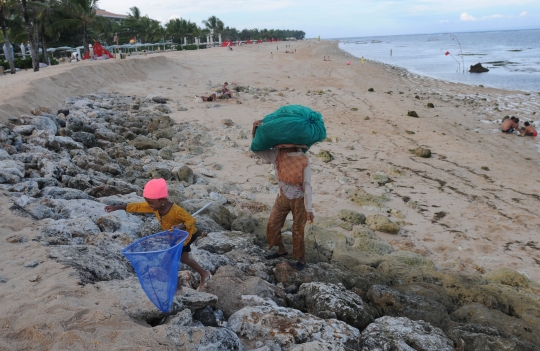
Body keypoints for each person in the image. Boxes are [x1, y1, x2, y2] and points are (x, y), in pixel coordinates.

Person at [104, 178, 212, 289]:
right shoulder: (156, 207)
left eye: (151, 203)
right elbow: (137, 206)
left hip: (185, 237)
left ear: (162, 199)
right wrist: (117, 207)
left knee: (167, 262)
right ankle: (204, 274)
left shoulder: (176, 210)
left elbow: (191, 220)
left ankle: (176, 288)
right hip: (175, 237)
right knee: (183, 259)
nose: (149, 205)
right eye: (148, 202)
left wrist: (181, 226)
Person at [251, 120, 314, 271]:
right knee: (272, 224)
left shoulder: (303, 160)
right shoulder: (277, 154)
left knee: (298, 230)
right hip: (283, 197)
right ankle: (281, 249)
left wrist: (309, 208)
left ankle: (302, 259)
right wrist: (255, 130)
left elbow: (307, 185)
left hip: (299, 200)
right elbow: (256, 150)